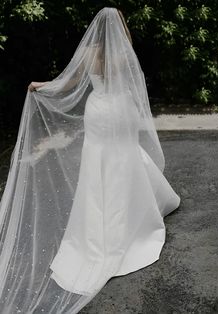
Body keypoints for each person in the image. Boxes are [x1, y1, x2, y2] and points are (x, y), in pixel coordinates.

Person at [0, 7, 180, 313]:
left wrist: (42, 86)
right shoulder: (125, 49)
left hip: (99, 112)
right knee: (125, 158)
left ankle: (100, 227)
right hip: (121, 109)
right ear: (119, 26)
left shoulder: (90, 53)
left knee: (99, 163)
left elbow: (69, 83)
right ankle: (135, 211)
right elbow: (132, 85)